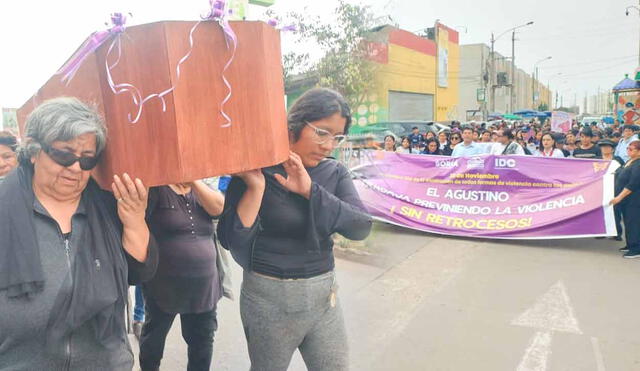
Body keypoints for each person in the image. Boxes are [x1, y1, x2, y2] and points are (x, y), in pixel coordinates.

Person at [217, 88, 372, 371]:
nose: (329, 145)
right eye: (322, 133)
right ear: (295, 126)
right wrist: (256, 187)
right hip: (268, 301)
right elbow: (231, 239)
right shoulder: (257, 170)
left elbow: (361, 227)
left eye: (337, 137)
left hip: (324, 298)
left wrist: (310, 191)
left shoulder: (334, 172)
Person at [0, 97, 158, 369]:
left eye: (87, 159)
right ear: (35, 152)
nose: (75, 167)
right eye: (64, 154)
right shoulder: (5, 208)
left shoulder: (108, 207)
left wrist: (133, 220)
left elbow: (140, 271)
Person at [139, 181, 225, 371]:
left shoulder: (202, 188)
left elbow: (219, 208)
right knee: (153, 343)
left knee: (202, 345)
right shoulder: (156, 188)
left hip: (204, 287)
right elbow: (139, 213)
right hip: (164, 287)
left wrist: (194, 180)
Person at [610, 141, 640, 258]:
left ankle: (636, 248)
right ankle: (630, 244)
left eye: (631, 149)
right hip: (626, 200)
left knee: (633, 223)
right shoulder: (630, 161)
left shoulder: (638, 165)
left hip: (634, 199)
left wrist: (619, 197)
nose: (628, 151)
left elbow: (632, 184)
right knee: (627, 222)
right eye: (628, 148)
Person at [599, 139, 625, 242]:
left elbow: (623, 172)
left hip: (615, 188)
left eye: (607, 147)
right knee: (601, 210)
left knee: (615, 211)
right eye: (603, 147)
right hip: (600, 188)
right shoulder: (597, 159)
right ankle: (601, 231)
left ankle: (617, 233)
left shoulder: (617, 160)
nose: (605, 149)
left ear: (612, 149)